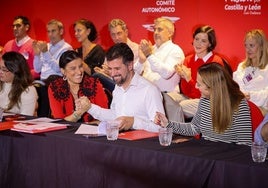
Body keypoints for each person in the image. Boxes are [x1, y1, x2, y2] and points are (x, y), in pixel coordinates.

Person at [155, 62, 253, 146]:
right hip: (206, 152)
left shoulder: (239, 104)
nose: (196, 87)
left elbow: (245, 143)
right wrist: (168, 124)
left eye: (199, 84)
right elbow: (194, 127)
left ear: (212, 86)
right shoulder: (204, 100)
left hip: (226, 157)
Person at [77, 43, 164, 132]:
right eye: (110, 69)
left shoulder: (149, 90)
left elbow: (160, 127)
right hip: (119, 141)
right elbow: (115, 116)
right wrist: (90, 107)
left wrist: (134, 122)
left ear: (130, 65)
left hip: (142, 144)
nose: (113, 74)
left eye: (117, 69)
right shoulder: (118, 88)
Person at [169, 25, 225, 118]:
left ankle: (179, 131)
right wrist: (182, 77)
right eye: (196, 39)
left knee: (181, 106)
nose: (198, 44)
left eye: (203, 41)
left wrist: (189, 79)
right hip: (189, 98)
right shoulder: (188, 59)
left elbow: (208, 93)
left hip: (209, 101)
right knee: (167, 98)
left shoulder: (215, 61)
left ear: (210, 44)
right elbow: (186, 91)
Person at [47, 50, 108, 122]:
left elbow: (105, 117)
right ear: (63, 71)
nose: (79, 72)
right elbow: (59, 122)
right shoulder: (55, 87)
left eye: (80, 66)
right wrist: (80, 112)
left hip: (92, 131)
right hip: (65, 132)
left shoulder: (94, 84)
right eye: (73, 68)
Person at [32, 19, 73, 117]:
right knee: (32, 87)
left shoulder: (67, 48)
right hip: (43, 81)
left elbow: (59, 69)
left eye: (53, 31)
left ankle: (44, 117)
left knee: (44, 86)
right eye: (48, 31)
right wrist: (37, 55)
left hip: (58, 81)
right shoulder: (46, 46)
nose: (50, 34)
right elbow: (37, 69)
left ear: (61, 31)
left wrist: (45, 53)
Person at [134, 17, 185, 93]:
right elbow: (134, 74)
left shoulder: (176, 50)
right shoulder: (150, 49)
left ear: (170, 33)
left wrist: (149, 56)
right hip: (146, 94)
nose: (156, 32)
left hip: (167, 96)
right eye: (154, 30)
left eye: (160, 30)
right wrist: (141, 61)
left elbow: (167, 73)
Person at [93, 18, 139, 92]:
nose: (116, 38)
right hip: (114, 85)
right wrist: (102, 71)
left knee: (96, 77)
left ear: (126, 32)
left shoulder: (136, 49)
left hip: (130, 87)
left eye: (119, 33)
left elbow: (136, 72)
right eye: (113, 34)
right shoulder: (111, 51)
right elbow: (106, 69)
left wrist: (111, 72)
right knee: (95, 77)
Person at [233, 29, 268, 115]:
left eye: (251, 45)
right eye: (246, 45)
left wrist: (250, 96)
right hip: (239, 106)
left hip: (260, 109)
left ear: (261, 46)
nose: (248, 49)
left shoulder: (266, 68)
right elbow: (234, 87)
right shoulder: (242, 66)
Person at [0, 51, 37, 116]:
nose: (0, 72)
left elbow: (26, 118)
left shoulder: (28, 90)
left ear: (16, 70)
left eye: (4, 69)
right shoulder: (2, 84)